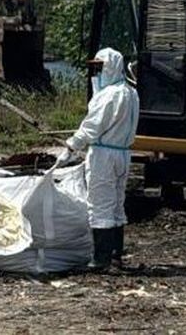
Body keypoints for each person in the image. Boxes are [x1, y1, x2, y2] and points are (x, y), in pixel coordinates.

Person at [55, 48, 139, 270]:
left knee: (100, 204)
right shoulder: (130, 92)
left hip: (104, 154)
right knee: (116, 204)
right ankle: (115, 254)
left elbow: (91, 127)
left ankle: (100, 259)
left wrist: (72, 146)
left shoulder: (110, 95)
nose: (97, 72)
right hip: (123, 152)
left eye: (99, 67)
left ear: (110, 67)